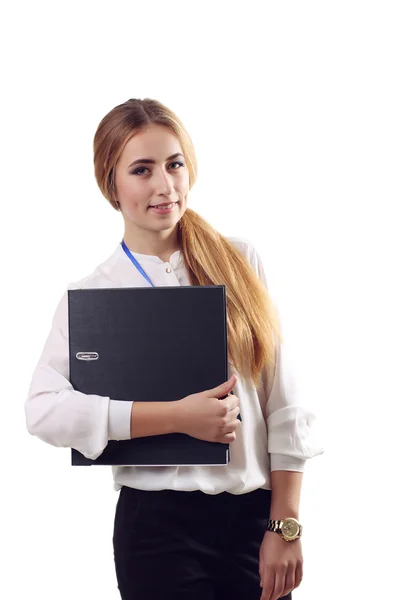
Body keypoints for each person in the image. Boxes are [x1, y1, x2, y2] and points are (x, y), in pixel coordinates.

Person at [25, 98, 323, 600]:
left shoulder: (239, 261)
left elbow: (285, 402)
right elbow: (44, 412)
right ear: (111, 185)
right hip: (156, 532)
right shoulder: (95, 295)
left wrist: (285, 526)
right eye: (142, 170)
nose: (165, 186)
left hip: (255, 520)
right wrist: (174, 417)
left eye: (174, 164)